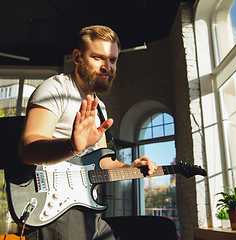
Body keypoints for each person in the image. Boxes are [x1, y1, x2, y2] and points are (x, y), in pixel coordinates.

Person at [18, 25, 158, 240]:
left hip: (89, 208)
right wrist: (72, 146)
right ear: (77, 57)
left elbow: (102, 162)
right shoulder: (55, 88)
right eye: (98, 58)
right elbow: (28, 149)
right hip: (54, 207)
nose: (107, 67)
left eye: (113, 60)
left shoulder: (99, 107)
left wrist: (130, 167)